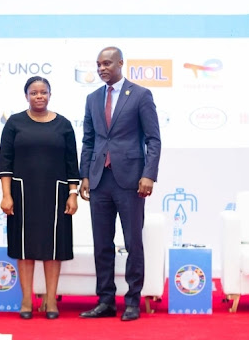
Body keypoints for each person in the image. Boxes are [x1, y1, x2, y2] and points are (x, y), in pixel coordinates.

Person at [79, 46, 161, 322]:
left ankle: (132, 301)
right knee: (102, 244)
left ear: (120, 63)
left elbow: (153, 139)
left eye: (107, 63)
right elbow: (88, 141)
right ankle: (105, 301)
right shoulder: (92, 98)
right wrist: (85, 176)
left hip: (130, 180)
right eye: (98, 64)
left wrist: (149, 174)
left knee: (133, 243)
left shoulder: (140, 95)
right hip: (99, 180)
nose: (101, 68)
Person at [0, 76, 80, 320]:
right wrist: (6, 195)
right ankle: (26, 300)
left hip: (56, 194)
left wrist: (73, 194)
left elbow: (72, 164)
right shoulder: (14, 123)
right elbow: (5, 163)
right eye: (34, 93)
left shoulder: (64, 125)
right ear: (26, 96)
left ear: (50, 94)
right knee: (25, 248)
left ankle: (51, 300)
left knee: (54, 249)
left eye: (43, 92)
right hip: (22, 194)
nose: (39, 96)